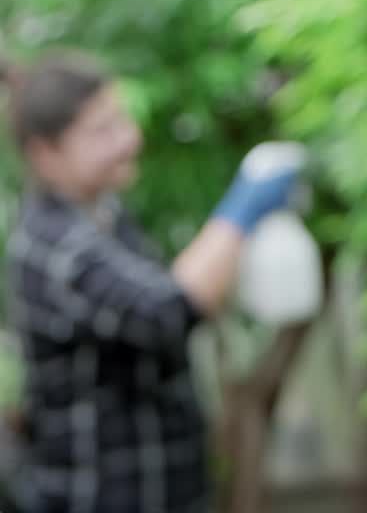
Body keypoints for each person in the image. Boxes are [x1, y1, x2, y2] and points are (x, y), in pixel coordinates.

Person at [0, 52, 302, 513]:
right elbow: (166, 312)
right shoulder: (52, 244)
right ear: (45, 153)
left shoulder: (107, 216)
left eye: (122, 120)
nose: (129, 140)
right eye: (102, 131)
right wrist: (243, 209)